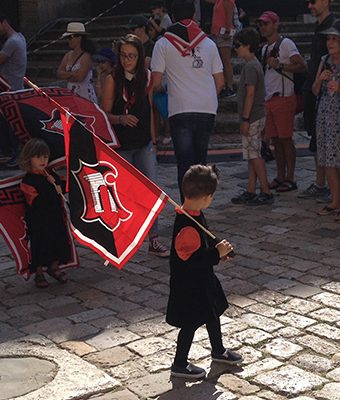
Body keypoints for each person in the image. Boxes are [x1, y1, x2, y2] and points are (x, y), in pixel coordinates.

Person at [168, 164, 243, 379]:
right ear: (208, 197)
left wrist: (218, 246)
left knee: (213, 314)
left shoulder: (194, 215)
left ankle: (218, 350)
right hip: (189, 285)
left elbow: (205, 234)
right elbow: (191, 259)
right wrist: (215, 254)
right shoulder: (187, 225)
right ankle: (179, 363)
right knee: (190, 325)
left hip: (203, 281)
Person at [101, 34, 168, 257]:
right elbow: (104, 114)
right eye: (123, 56)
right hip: (121, 145)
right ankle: (121, 239)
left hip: (143, 143)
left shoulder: (146, 77)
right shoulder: (113, 79)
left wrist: (154, 141)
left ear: (139, 57)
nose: (127, 60)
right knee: (122, 194)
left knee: (152, 191)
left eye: (132, 56)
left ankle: (154, 238)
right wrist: (120, 118)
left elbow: (148, 110)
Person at [151, 0, 224, 201]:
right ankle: (201, 207)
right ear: (194, 17)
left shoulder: (163, 43)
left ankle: (187, 209)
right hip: (206, 107)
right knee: (201, 164)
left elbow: (156, 82)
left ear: (172, 17)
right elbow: (220, 81)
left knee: (185, 165)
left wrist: (163, 91)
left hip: (180, 107)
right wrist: (206, 96)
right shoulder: (209, 43)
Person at [258, 11, 307, 193]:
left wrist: (280, 65)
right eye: (261, 24)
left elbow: (302, 66)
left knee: (286, 139)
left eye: (266, 23)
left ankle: (290, 178)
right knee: (276, 140)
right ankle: (280, 176)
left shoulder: (286, 44)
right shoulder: (264, 49)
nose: (262, 27)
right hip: (270, 98)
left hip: (284, 97)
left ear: (275, 24)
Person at [19, 139, 70, 288]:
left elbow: (63, 188)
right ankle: (39, 273)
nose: (42, 160)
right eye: (38, 157)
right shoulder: (28, 180)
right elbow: (35, 202)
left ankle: (54, 266)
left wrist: (57, 184)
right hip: (39, 221)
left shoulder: (50, 174)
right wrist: (53, 190)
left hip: (55, 216)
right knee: (40, 245)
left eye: (45, 157)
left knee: (59, 240)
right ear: (29, 158)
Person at [231, 27, 274, 206]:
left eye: (238, 45)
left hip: (252, 117)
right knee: (250, 154)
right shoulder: (254, 64)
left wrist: (245, 119)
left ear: (247, 46)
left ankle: (265, 190)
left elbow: (250, 94)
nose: (235, 48)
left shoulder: (250, 67)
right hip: (256, 116)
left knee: (254, 155)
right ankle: (251, 189)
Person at [298, 0, 336, 201]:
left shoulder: (333, 26)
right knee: (316, 140)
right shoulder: (320, 27)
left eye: (313, 1)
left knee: (329, 142)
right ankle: (321, 183)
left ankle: (332, 186)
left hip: (327, 93)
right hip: (313, 89)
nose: (310, 6)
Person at [0, 14, 27, 168]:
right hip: (11, 87)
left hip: (10, 89)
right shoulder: (20, 37)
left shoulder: (12, 42)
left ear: (5, 22)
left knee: (11, 123)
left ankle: (14, 154)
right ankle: (7, 150)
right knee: (4, 122)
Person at [312, 20, 340, 219]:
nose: (330, 42)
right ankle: (335, 200)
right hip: (325, 115)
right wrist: (320, 79)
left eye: (334, 39)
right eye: (328, 39)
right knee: (328, 160)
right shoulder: (324, 60)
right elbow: (314, 90)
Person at [57, 22, 97, 103]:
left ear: (79, 38)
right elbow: (58, 73)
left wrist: (66, 75)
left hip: (85, 97)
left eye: (70, 37)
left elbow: (80, 77)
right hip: (71, 96)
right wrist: (73, 73)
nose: (68, 40)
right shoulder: (68, 55)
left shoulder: (87, 56)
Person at [207, 0, 236, 98]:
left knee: (225, 60)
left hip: (223, 33)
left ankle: (229, 87)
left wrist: (227, 31)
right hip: (216, 32)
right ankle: (222, 86)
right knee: (219, 61)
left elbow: (229, 14)